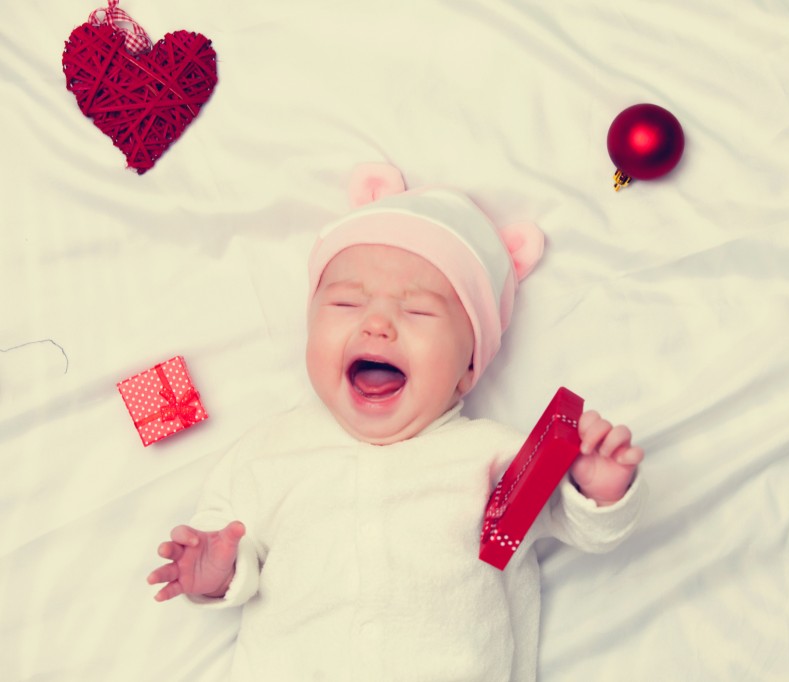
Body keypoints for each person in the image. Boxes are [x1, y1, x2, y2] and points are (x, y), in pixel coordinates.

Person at [146, 163, 646, 681]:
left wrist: (599, 492)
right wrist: (213, 570)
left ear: (468, 368)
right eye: (346, 302)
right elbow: (234, 543)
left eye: (419, 313)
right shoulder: (271, 450)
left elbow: (577, 524)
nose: (377, 323)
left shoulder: (494, 456)